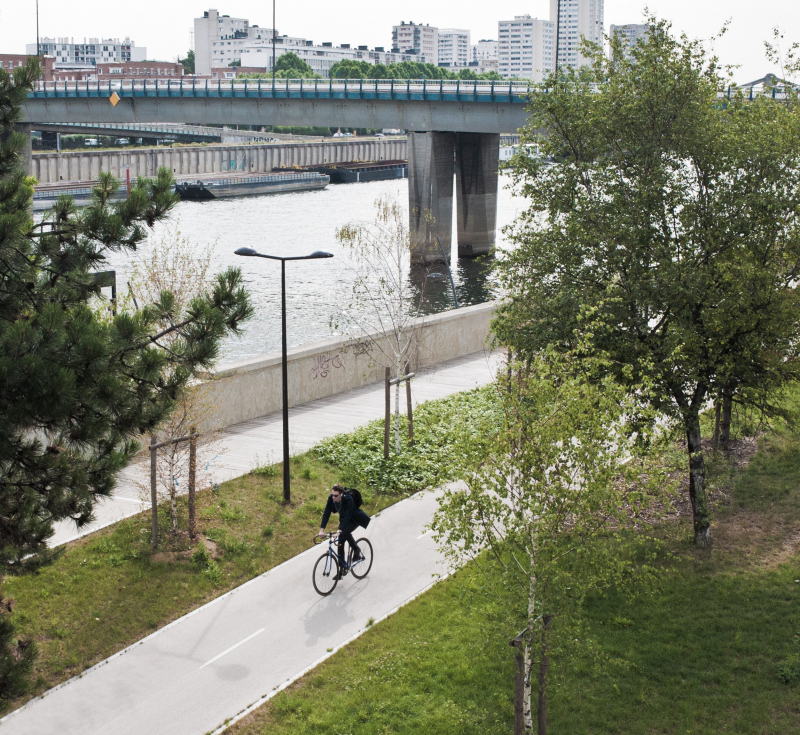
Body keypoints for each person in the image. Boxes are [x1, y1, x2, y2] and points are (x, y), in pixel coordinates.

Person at [318, 484, 370, 579]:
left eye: (336, 496)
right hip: (344, 520)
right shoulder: (331, 498)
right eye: (332, 495)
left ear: (341, 494)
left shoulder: (348, 499)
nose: (333, 497)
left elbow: (348, 516)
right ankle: (342, 570)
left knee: (345, 533)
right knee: (340, 542)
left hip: (354, 519)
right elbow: (327, 512)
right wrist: (322, 529)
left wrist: (339, 530)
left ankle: (356, 549)